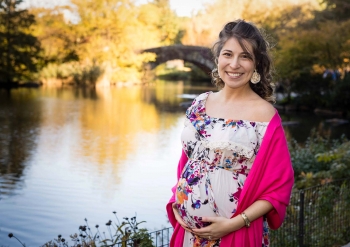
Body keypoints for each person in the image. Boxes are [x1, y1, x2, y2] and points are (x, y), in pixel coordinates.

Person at [166, 19, 294, 247]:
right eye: (228, 54)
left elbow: (279, 187)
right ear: (218, 59)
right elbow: (187, 162)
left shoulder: (265, 115)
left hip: (235, 235)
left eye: (245, 56)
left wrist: (235, 223)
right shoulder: (199, 104)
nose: (234, 64)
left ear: (256, 65)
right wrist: (176, 201)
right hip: (189, 234)